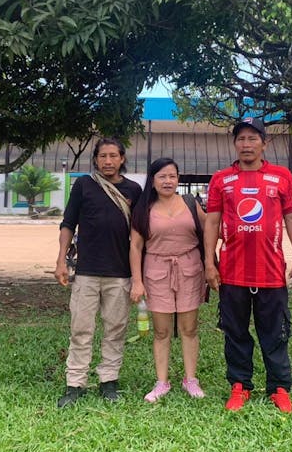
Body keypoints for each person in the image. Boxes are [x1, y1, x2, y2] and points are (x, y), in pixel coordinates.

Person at [204, 117, 292, 414]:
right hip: (232, 272)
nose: (246, 144)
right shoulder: (221, 179)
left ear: (264, 142)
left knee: (274, 333)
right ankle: (240, 386)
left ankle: (279, 389)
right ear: (235, 144)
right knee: (235, 332)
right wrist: (210, 262)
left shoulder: (281, 176)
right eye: (241, 139)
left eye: (252, 138)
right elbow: (211, 221)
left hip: (271, 273)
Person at [54, 138, 142, 408]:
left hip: (119, 272)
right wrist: (60, 261)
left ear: (122, 159)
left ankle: (108, 381)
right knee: (81, 329)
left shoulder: (133, 190)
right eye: (103, 156)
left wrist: (138, 277)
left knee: (115, 330)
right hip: (87, 272)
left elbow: (138, 237)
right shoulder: (84, 185)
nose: (108, 161)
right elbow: (68, 224)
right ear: (96, 159)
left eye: (113, 156)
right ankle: (75, 383)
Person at [129, 158, 207, 403]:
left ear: (178, 179)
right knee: (161, 331)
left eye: (172, 176)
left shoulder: (190, 204)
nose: (168, 181)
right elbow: (135, 247)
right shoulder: (144, 209)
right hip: (156, 272)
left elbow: (210, 230)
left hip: (190, 270)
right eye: (162, 176)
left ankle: (190, 379)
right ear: (152, 180)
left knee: (189, 328)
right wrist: (137, 281)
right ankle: (162, 382)